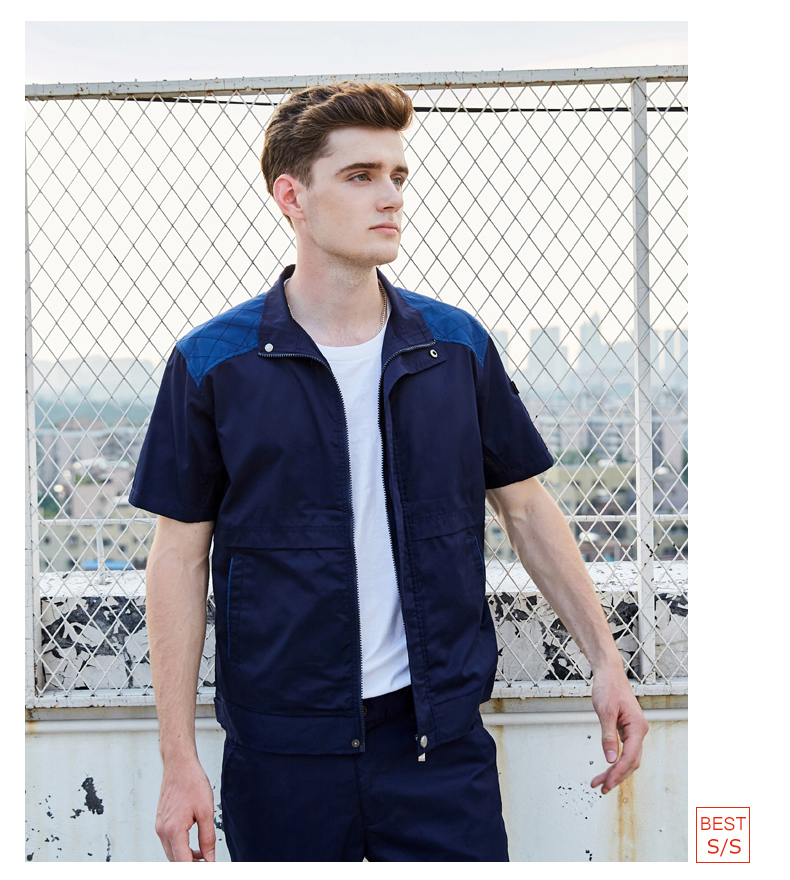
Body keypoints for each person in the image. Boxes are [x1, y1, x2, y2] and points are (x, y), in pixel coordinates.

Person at [130, 80, 648, 863]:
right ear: (292, 196)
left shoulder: (454, 347)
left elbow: (527, 509)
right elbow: (177, 558)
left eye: (397, 175)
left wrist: (606, 662)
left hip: (437, 747)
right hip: (284, 756)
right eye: (360, 175)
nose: (391, 196)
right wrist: (179, 761)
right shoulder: (213, 364)